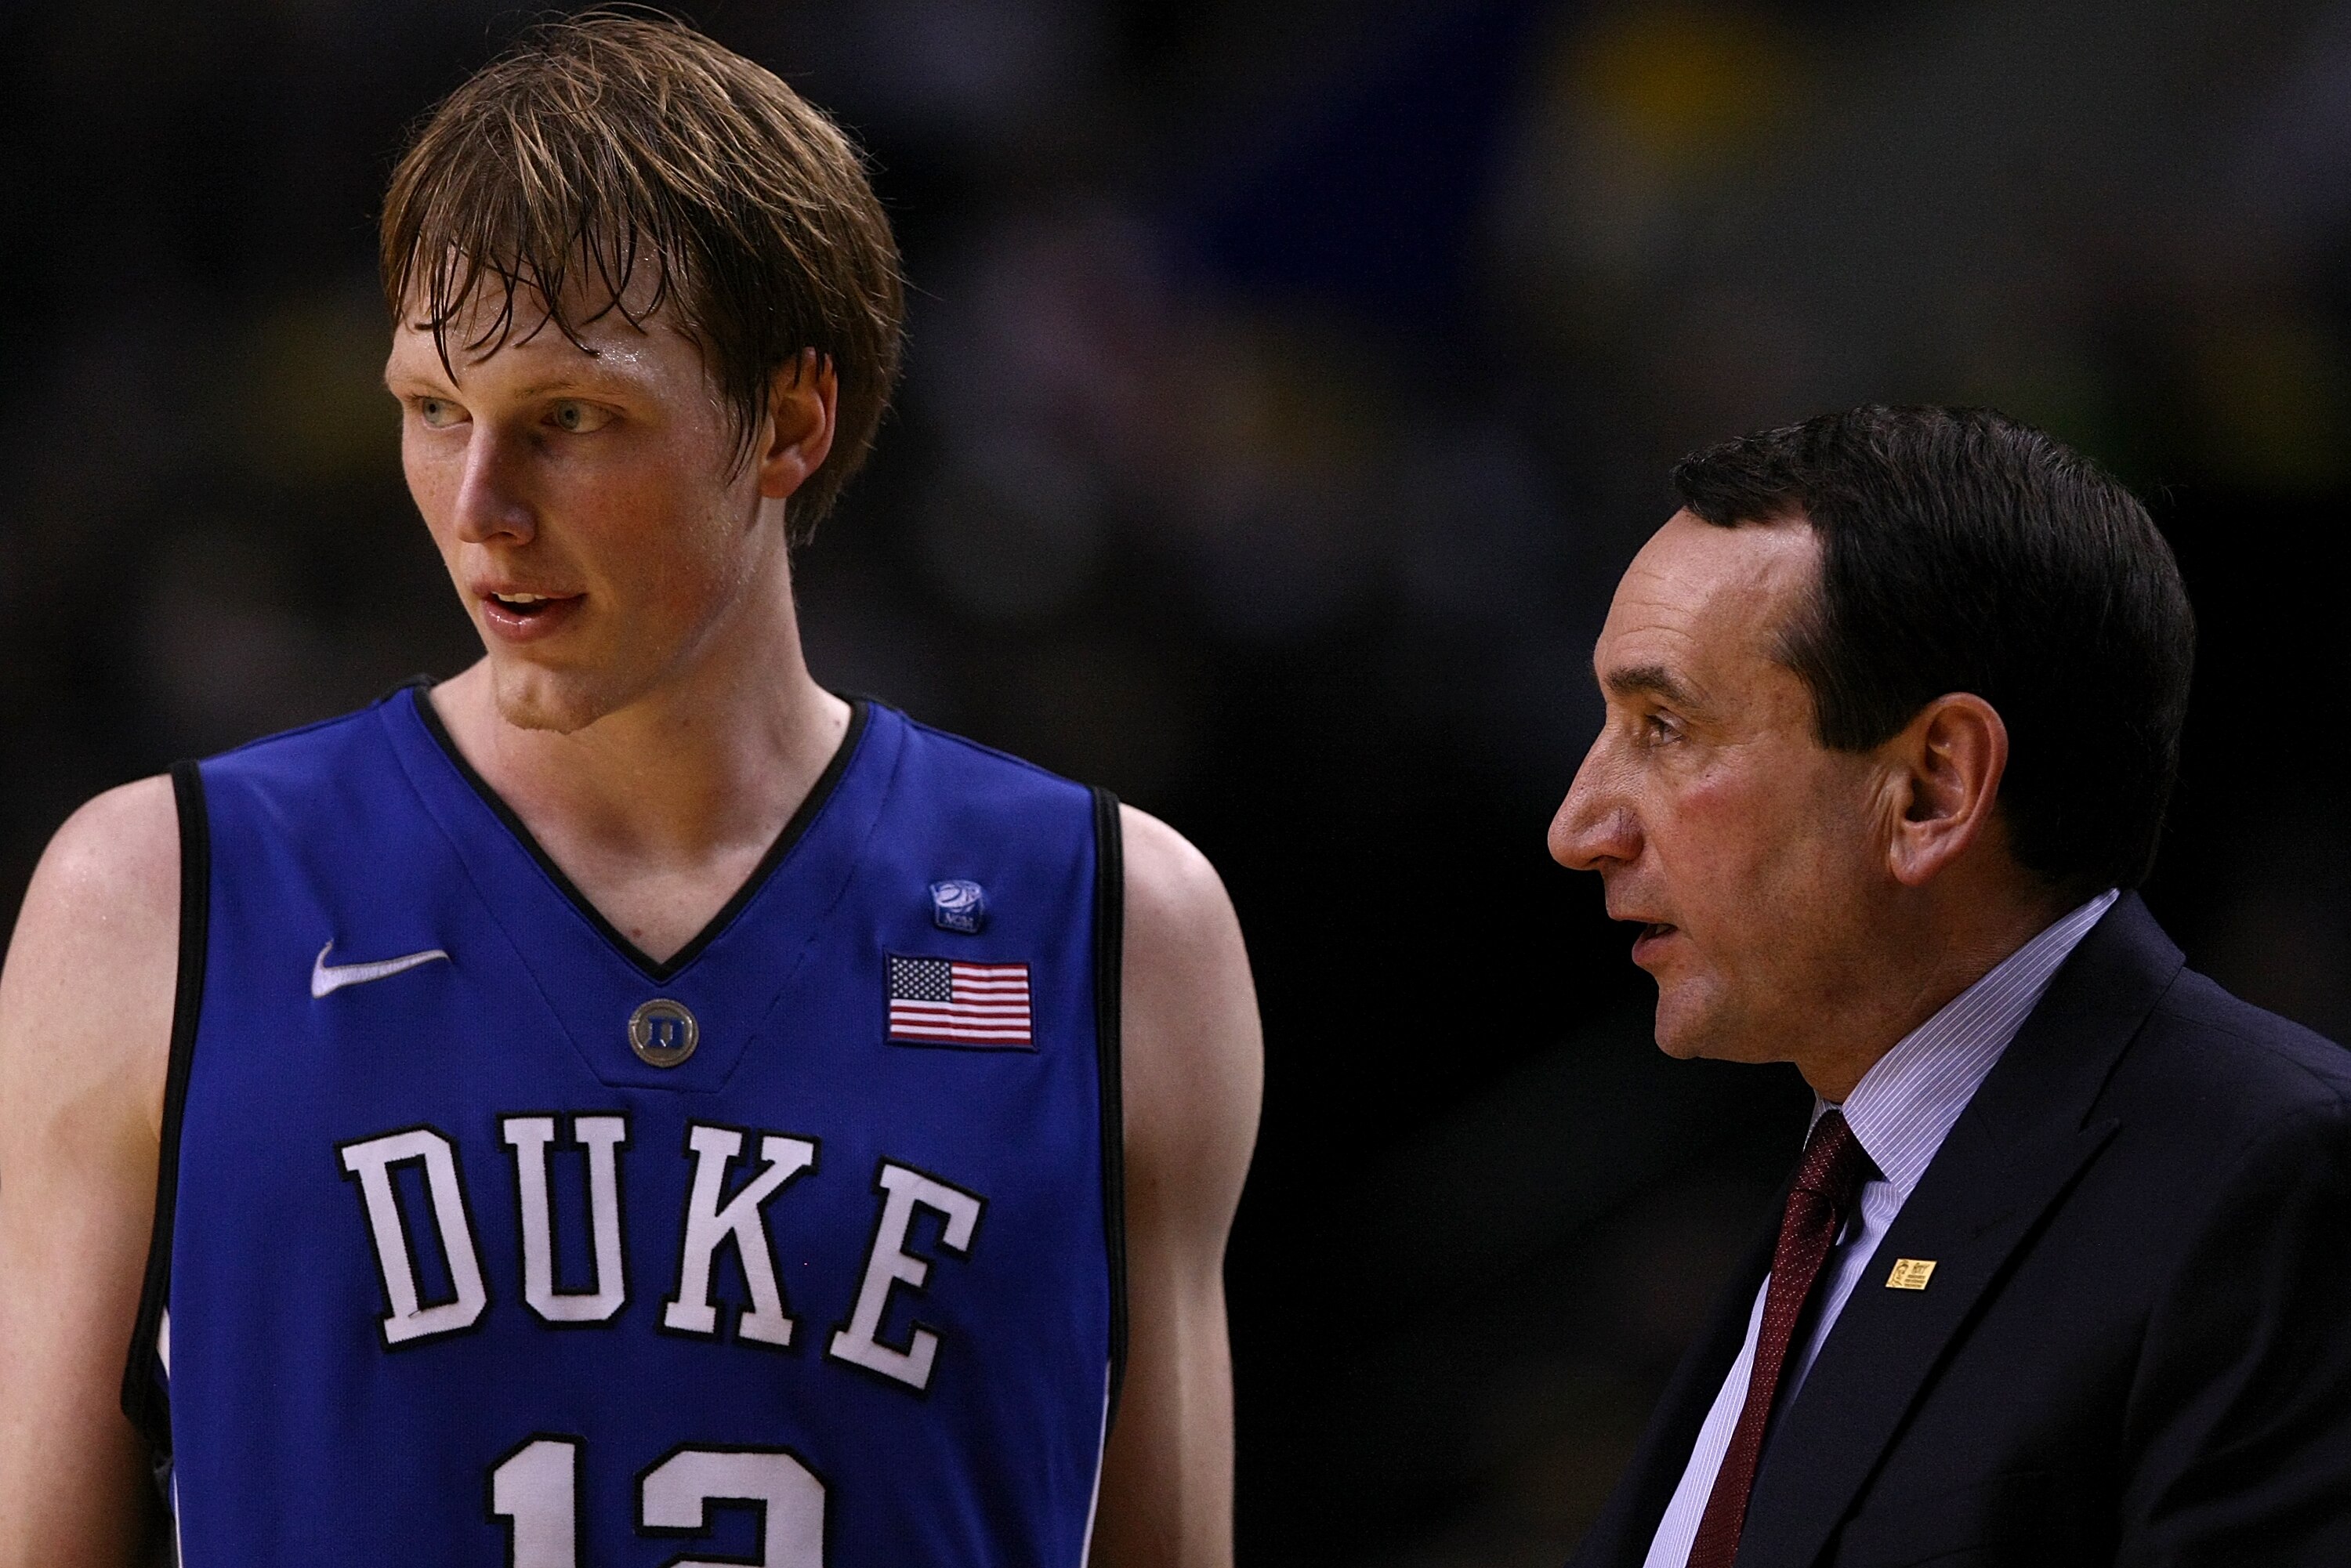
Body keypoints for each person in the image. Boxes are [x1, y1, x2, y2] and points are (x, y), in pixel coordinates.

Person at [0, 14, 1260, 1566]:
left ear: (788, 419)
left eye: (570, 418)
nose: (481, 505)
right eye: (434, 408)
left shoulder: (1119, 925)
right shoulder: (154, 896)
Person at [1551, 405, 2351, 1566]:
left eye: (1664, 727)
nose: (1579, 827)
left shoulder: (2275, 1187)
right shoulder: (1835, 1188)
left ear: (1932, 788)